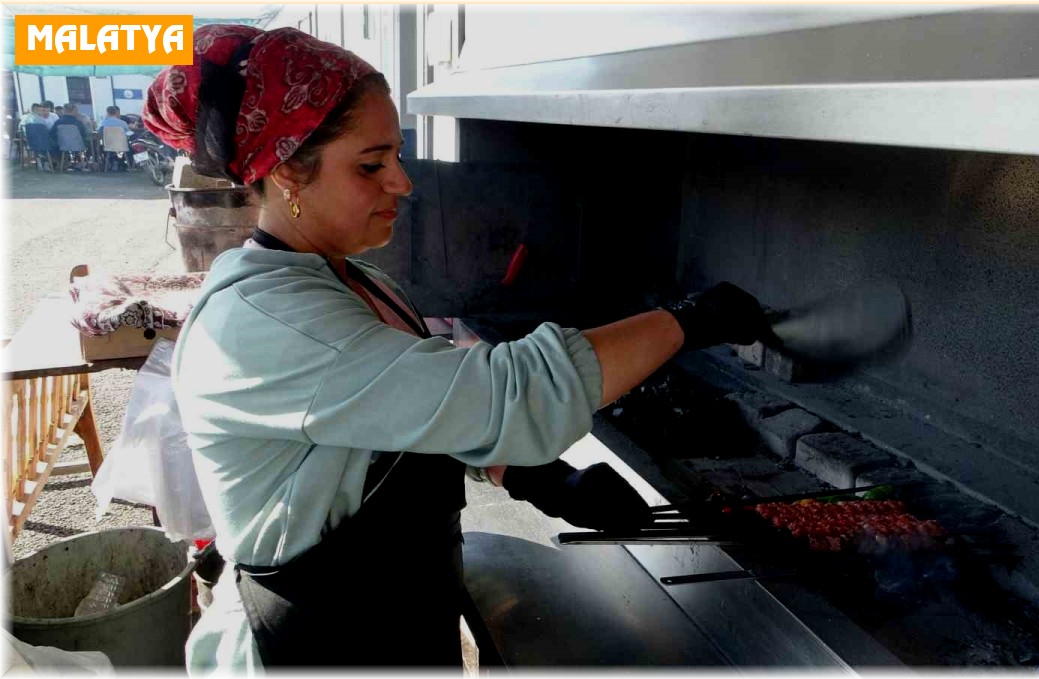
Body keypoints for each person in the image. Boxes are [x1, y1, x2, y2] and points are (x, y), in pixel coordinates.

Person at [144, 25, 768, 673]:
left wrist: (536, 474)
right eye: (371, 164)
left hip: (393, 619)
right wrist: (687, 322)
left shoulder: (348, 279)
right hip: (320, 640)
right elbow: (504, 391)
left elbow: (411, 414)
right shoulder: (268, 320)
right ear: (288, 175)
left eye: (399, 155)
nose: (403, 183)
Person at [49, 104, 92, 170]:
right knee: (92, 144)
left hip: (62, 145)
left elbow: (52, 134)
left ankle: (62, 164)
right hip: (78, 145)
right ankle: (83, 163)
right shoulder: (78, 122)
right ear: (74, 111)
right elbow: (84, 134)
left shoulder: (58, 122)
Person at [99, 106, 133, 170]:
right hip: (122, 145)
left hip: (108, 145)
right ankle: (129, 164)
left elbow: (99, 133)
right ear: (116, 113)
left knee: (101, 147)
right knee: (130, 146)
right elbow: (129, 133)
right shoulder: (123, 123)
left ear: (107, 113)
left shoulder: (103, 123)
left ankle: (110, 163)